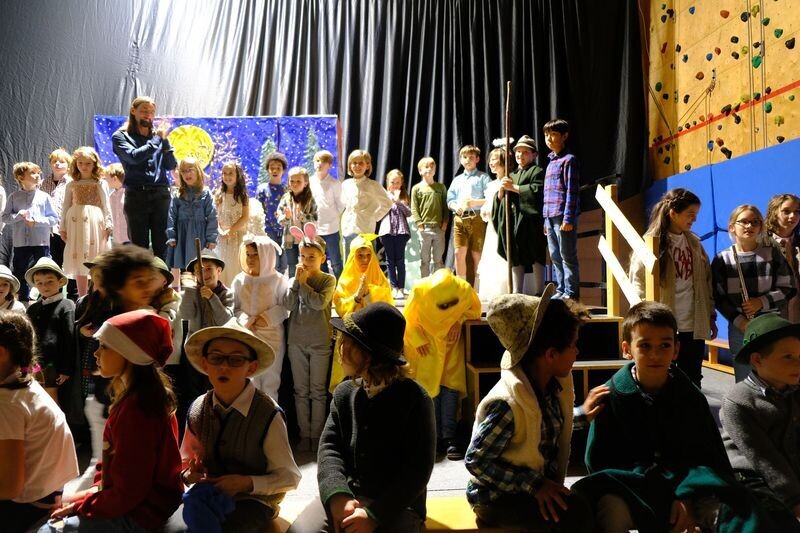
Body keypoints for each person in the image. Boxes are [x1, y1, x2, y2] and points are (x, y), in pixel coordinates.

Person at [573, 301, 762, 532]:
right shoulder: (611, 397)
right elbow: (600, 463)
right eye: (645, 345)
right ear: (627, 349)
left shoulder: (690, 397)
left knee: (732, 511)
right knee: (609, 510)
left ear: (676, 349)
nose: (655, 354)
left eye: (664, 345)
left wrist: (686, 494)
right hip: (632, 487)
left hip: (688, 487)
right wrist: (660, 491)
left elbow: (708, 457)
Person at [288, 302, 436, 533]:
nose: (340, 349)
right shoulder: (344, 393)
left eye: (348, 344)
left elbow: (417, 471)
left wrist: (375, 515)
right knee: (301, 530)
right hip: (349, 493)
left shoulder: (416, 399)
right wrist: (337, 496)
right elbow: (329, 448)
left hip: (397, 505)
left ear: (369, 356)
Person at [465, 285, 603, 531]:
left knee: (587, 503)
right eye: (573, 345)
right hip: (497, 498)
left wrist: (581, 415)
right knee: (574, 516)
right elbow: (476, 461)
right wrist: (535, 485)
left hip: (529, 490)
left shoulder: (549, 387)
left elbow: (539, 427)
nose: (577, 351)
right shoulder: (507, 404)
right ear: (551, 355)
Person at [43, 310, 183, 532]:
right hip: (133, 501)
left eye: (104, 346)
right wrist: (87, 496)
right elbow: (115, 474)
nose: (96, 353)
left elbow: (129, 491)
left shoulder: (137, 411)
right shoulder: (139, 397)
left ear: (129, 354)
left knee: (49, 529)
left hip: (141, 512)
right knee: (60, 500)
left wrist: (81, 506)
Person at [179, 317, 301, 532]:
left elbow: (289, 477)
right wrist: (190, 474)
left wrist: (246, 483)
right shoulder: (198, 409)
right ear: (205, 364)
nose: (224, 366)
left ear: (251, 368)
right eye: (216, 358)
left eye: (236, 360)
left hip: (255, 500)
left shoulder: (267, 413)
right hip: (210, 496)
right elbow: (185, 461)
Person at [629, 188, 717, 387]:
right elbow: (637, 282)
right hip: (664, 324)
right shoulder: (651, 242)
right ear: (673, 213)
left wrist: (710, 315)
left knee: (692, 378)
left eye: (696, 214)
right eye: (690, 214)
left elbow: (706, 282)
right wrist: (645, 315)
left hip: (693, 324)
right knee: (663, 377)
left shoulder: (694, 243)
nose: (694, 219)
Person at [0, 311, 79, 533]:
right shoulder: (25, 383)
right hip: (49, 492)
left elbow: (9, 488)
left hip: (28, 505)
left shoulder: (7, 404)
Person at [720, 314, 800, 530]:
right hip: (753, 476)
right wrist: (795, 502)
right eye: (788, 357)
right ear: (757, 360)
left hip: (790, 470)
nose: (798, 363)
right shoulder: (738, 401)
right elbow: (764, 458)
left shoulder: (794, 390)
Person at [712, 205, 796, 381]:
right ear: (732, 227)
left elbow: (789, 287)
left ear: (761, 227)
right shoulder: (722, 259)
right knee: (744, 375)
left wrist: (762, 302)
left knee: (774, 374)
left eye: (755, 222)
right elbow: (718, 297)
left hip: (771, 324)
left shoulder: (772, 254)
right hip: (740, 327)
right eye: (743, 221)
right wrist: (740, 321)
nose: (749, 226)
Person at [403, 268, 480, 459]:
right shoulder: (419, 290)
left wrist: (459, 320)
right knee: (431, 391)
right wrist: (418, 339)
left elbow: (474, 309)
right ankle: (434, 436)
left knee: (450, 389)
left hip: (451, 347)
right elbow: (408, 319)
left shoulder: (464, 289)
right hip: (427, 348)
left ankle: (449, 437)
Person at [282, 225, 335, 452]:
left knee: (318, 391)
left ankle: (318, 435)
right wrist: (296, 283)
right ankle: (305, 434)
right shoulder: (295, 279)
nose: (306, 261)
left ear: (322, 258)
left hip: (320, 340)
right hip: (296, 340)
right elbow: (287, 304)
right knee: (300, 391)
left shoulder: (328, 280)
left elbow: (318, 303)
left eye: (311, 257)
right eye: (302, 256)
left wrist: (304, 284)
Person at [111, 95, 177, 259]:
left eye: (152, 112)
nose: (149, 115)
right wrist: (157, 139)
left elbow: (170, 165)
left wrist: (165, 141)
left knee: (162, 246)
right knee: (139, 248)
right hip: (136, 196)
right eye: (144, 111)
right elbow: (134, 157)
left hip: (161, 195)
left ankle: (162, 276)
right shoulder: (120, 136)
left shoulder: (158, 136)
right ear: (133, 111)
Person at [328, 234, 393, 391]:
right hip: (351, 337)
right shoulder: (344, 281)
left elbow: (387, 309)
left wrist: (369, 294)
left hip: (374, 339)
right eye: (360, 255)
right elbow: (340, 307)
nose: (365, 260)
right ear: (353, 256)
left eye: (368, 255)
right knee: (349, 382)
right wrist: (356, 297)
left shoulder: (380, 279)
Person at [232, 236, 290, 401]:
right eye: (248, 254)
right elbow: (234, 307)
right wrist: (245, 320)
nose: (250, 259)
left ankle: (271, 415)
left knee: (271, 381)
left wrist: (267, 318)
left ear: (266, 255)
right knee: (250, 381)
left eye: (255, 255)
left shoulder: (278, 280)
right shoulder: (239, 280)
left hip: (272, 338)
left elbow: (285, 307)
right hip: (247, 336)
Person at [494, 135, 546, 295]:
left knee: (536, 252)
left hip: (530, 221)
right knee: (515, 253)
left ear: (534, 155)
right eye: (518, 151)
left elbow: (536, 191)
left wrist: (514, 188)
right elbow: (501, 200)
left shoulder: (537, 171)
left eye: (525, 152)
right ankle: (517, 292)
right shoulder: (512, 174)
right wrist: (501, 191)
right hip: (514, 221)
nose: (520, 155)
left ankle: (540, 291)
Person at [1, 162, 59, 303]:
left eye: (38, 173)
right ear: (21, 177)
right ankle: (24, 301)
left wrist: (36, 221)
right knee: (20, 271)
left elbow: (54, 219)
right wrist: (18, 216)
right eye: (33, 173)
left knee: (44, 270)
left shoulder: (44, 197)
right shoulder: (14, 197)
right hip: (21, 243)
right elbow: (5, 217)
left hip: (41, 242)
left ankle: (45, 299)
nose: (37, 176)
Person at [61, 147, 112, 297]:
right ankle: (82, 296)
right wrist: (62, 226)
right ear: (75, 164)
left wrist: (109, 223)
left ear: (94, 164)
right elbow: (66, 206)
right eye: (80, 163)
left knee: (95, 256)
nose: (84, 166)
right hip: (75, 223)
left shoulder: (100, 183)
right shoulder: (71, 184)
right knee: (78, 257)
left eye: (88, 163)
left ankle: (97, 295)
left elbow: (106, 205)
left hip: (95, 222)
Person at [25, 258, 76, 408]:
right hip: (35, 362)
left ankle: (56, 423)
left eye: (49, 281)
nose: (44, 286)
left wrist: (66, 369)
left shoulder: (66, 305)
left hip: (53, 363)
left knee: (51, 398)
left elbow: (69, 338)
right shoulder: (33, 308)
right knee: (34, 396)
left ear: (60, 282)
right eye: (39, 283)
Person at [542, 119, 581, 300]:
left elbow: (572, 191)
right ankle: (561, 289)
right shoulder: (550, 162)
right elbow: (547, 193)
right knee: (555, 255)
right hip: (549, 216)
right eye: (546, 135)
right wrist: (545, 219)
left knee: (567, 255)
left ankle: (571, 293)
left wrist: (568, 218)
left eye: (553, 134)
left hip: (562, 215)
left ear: (564, 136)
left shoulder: (569, 160)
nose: (549, 139)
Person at [165, 157, 217, 280]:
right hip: (182, 236)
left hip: (199, 236)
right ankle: (186, 289)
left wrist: (211, 238)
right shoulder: (178, 194)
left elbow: (212, 216)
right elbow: (172, 215)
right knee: (185, 271)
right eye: (183, 171)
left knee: (199, 266)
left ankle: (201, 289)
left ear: (198, 171)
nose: (186, 174)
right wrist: (171, 235)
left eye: (190, 170)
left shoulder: (206, 193)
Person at [447, 145, 491, 284]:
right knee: (458, 252)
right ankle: (462, 286)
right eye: (464, 157)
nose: (467, 160)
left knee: (476, 253)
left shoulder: (483, 177)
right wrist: (455, 207)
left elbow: (490, 198)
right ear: (460, 160)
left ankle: (478, 287)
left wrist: (475, 202)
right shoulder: (457, 180)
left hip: (477, 217)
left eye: (471, 157)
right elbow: (450, 199)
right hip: (460, 218)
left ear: (477, 159)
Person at [340, 149, 393, 259]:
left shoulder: (373, 185)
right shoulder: (346, 184)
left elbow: (387, 203)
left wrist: (375, 217)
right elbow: (343, 203)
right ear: (350, 166)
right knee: (349, 261)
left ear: (367, 165)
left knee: (367, 261)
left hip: (366, 229)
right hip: (348, 228)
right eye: (354, 163)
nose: (357, 166)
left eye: (361, 163)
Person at [41, 148, 77, 300]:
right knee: (54, 262)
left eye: (61, 162)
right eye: (54, 161)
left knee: (71, 262)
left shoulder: (72, 182)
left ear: (68, 165)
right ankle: (55, 294)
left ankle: (73, 295)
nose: (57, 164)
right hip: (49, 230)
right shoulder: (44, 182)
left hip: (68, 228)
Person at [477, 146, 509, 301]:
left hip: (502, 225)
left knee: (501, 254)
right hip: (491, 227)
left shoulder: (507, 181)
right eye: (490, 160)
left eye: (494, 159)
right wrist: (484, 210)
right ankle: (492, 291)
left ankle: (504, 290)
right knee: (491, 255)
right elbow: (488, 203)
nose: (491, 163)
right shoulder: (492, 184)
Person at [410, 156, 448, 279]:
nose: (429, 169)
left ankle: (437, 283)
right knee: (424, 259)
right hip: (424, 229)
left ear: (435, 170)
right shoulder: (416, 188)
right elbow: (414, 208)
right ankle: (425, 283)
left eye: (432, 166)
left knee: (438, 259)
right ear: (420, 171)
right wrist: (420, 224)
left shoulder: (441, 187)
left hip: (438, 228)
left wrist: (445, 224)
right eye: (426, 167)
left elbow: (445, 206)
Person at [309, 149, 345, 278]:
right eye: (317, 161)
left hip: (331, 229)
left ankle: (340, 286)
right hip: (315, 229)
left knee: (335, 261)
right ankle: (324, 285)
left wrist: (331, 216)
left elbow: (341, 204)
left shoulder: (334, 183)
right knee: (319, 260)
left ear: (329, 165)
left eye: (323, 161)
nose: (319, 164)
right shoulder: (309, 182)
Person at [765, 193, 800, 323]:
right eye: (786, 211)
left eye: (797, 212)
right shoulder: (759, 243)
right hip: (771, 318)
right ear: (774, 212)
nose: (793, 216)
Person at [278, 167, 318, 277]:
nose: (294, 184)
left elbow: (315, 218)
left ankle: (307, 283)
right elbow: (279, 219)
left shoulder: (310, 199)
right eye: (292, 181)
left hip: (306, 240)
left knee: (307, 264)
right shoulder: (285, 198)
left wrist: (303, 217)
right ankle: (293, 284)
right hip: (289, 240)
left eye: (298, 181)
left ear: (305, 183)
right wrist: (286, 217)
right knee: (292, 265)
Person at [215, 161, 250, 287]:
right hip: (223, 237)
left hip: (237, 236)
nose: (227, 176)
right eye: (224, 173)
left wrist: (231, 230)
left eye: (230, 173)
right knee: (223, 262)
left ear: (237, 175)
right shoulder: (219, 194)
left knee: (236, 263)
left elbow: (245, 217)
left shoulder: (242, 196)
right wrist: (220, 230)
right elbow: (216, 215)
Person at [379, 169, 412, 298]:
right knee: (390, 261)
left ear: (401, 183)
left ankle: (401, 288)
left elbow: (408, 213)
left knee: (400, 260)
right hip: (387, 232)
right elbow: (380, 213)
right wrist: (389, 201)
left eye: (398, 182)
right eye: (392, 182)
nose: (395, 185)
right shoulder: (384, 196)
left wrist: (398, 202)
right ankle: (393, 287)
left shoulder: (403, 197)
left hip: (401, 233)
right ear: (388, 182)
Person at [256, 151, 288, 272]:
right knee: (273, 262)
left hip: (285, 230)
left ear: (283, 170)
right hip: (269, 230)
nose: (275, 171)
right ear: (268, 170)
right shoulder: (262, 189)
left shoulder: (287, 190)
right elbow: (258, 211)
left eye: (278, 168)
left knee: (284, 262)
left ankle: (282, 282)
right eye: (272, 168)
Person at [104, 163, 130, 245]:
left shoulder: (128, 194)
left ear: (115, 178)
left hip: (128, 237)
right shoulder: (112, 196)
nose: (105, 181)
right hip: (117, 238)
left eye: (106, 178)